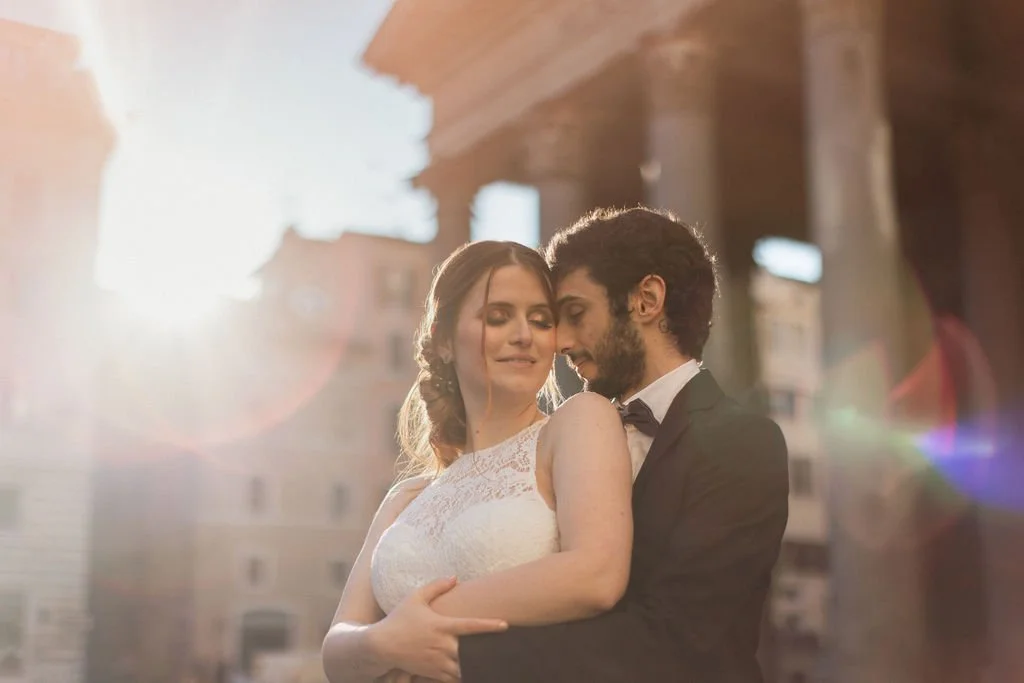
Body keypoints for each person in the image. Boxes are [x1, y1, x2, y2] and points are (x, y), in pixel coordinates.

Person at [455, 207, 791, 682]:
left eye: (574, 314)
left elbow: (680, 636)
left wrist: (454, 659)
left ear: (647, 300)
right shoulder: (561, 441)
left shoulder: (743, 442)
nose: (560, 342)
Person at [321, 240, 634, 683]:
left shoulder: (576, 423)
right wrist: (386, 641)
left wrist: (412, 625)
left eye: (541, 321)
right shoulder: (405, 497)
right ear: (444, 342)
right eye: (498, 316)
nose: (524, 334)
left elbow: (596, 575)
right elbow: (337, 649)